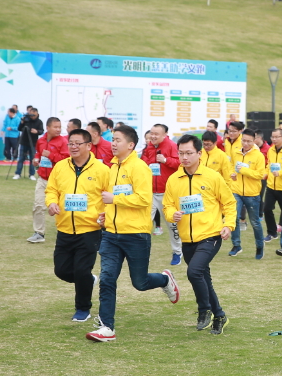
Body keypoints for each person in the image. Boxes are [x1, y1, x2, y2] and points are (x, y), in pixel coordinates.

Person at [86, 125, 180, 342]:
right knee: (107, 279)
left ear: (130, 145)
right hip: (111, 234)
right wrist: (107, 214)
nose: (113, 143)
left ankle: (165, 279)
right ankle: (106, 327)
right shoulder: (112, 167)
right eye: (113, 140)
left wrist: (114, 199)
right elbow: (113, 200)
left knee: (140, 282)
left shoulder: (140, 167)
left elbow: (144, 199)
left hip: (136, 235)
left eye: (118, 140)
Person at [161, 135, 236, 334]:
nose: (184, 157)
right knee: (203, 278)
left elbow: (229, 202)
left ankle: (204, 310)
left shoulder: (212, 176)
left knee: (194, 272)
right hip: (187, 239)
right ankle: (220, 315)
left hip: (210, 236)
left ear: (199, 153)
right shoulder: (174, 179)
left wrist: (228, 225)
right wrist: (172, 214)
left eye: (189, 153)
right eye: (181, 153)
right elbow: (167, 206)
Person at [44, 128, 109, 322]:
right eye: (70, 143)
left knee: (81, 270)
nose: (73, 147)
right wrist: (51, 203)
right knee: (61, 270)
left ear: (89, 146)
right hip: (64, 228)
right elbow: (51, 190)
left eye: (77, 143)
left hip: (89, 230)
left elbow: (109, 196)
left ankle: (83, 308)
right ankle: (88, 280)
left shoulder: (102, 170)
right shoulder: (60, 167)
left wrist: (106, 216)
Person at [142, 124, 182, 265]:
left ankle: (177, 252)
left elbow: (180, 163)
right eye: (151, 133)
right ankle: (143, 253)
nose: (153, 136)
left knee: (172, 225)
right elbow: (143, 163)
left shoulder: (171, 146)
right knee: (144, 223)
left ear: (164, 134)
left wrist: (165, 160)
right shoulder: (149, 147)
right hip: (150, 192)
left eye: (156, 134)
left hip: (167, 193)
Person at [26, 117, 68, 243]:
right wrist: (36, 160)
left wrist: (51, 155)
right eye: (55, 127)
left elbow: (66, 160)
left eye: (59, 127)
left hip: (59, 181)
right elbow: (38, 153)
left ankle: (66, 233)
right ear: (48, 128)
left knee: (63, 207)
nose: (58, 129)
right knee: (38, 205)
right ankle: (39, 233)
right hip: (42, 179)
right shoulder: (41, 140)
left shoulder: (63, 142)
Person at [228, 129, 266, 258]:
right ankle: (236, 245)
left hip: (252, 194)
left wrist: (244, 170)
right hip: (236, 190)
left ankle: (259, 246)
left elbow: (260, 175)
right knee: (234, 218)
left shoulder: (258, 156)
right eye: (243, 140)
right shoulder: (236, 152)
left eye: (249, 141)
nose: (245, 144)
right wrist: (232, 174)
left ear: (254, 141)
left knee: (255, 222)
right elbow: (231, 166)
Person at [15, 107, 44, 180]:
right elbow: (19, 128)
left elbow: (41, 131)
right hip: (24, 142)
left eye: (34, 115)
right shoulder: (26, 120)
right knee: (21, 158)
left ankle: (31, 174)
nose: (32, 117)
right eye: (31, 115)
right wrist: (22, 122)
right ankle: (18, 173)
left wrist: (37, 131)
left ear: (37, 114)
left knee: (32, 159)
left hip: (33, 143)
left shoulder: (39, 122)